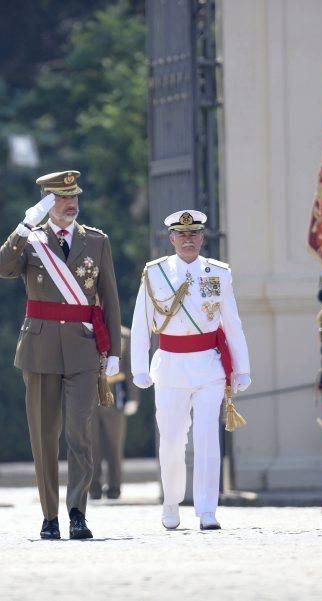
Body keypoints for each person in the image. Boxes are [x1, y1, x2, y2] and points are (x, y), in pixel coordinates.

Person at [0, 170, 122, 540]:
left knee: (80, 433)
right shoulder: (30, 241)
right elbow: (1, 269)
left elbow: (109, 297)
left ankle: (77, 512)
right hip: (40, 347)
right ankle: (50, 515)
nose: (71, 203)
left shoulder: (96, 241)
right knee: (44, 436)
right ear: (47, 203)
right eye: (62, 198)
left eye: (74, 196)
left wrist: (112, 349)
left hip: (83, 349)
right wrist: (22, 227)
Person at [130, 210, 250, 530]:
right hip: (169, 366)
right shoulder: (154, 273)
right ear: (171, 239)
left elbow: (231, 322)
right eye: (181, 235)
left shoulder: (218, 272)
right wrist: (139, 366)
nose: (188, 240)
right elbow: (141, 323)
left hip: (208, 365)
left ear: (202, 237)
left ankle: (207, 508)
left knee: (208, 438)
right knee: (171, 441)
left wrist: (241, 368)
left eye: (194, 234)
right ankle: (171, 501)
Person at [90, 326, 140, 500]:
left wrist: (133, 398)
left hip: (115, 395)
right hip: (90, 395)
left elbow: (130, 368)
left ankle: (114, 487)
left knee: (114, 446)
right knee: (91, 445)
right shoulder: (86, 329)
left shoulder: (124, 335)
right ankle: (93, 487)